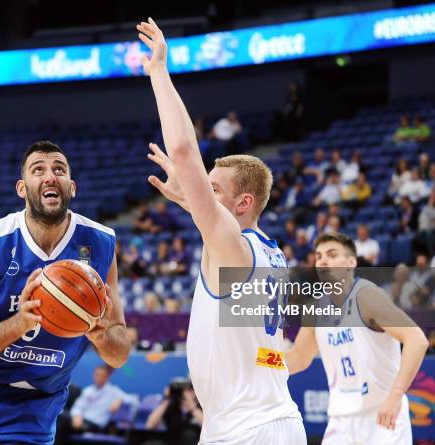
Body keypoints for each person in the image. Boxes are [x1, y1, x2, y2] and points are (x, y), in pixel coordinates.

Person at [137, 18, 304, 443]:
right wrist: (189, 197)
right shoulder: (269, 252)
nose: (204, 197)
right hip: (266, 419)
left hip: (248, 430)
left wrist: (158, 72)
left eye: (213, 190)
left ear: (243, 203)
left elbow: (182, 149)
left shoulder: (233, 247)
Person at [0, 141, 130, 444]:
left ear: (72, 187)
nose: (50, 176)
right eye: (39, 170)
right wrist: (20, 323)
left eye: (59, 169)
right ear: (22, 188)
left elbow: (119, 354)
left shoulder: (100, 244)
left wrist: (100, 336)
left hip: (34, 405)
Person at [285, 233, 428, 445]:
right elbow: (297, 359)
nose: (323, 260)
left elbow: (417, 339)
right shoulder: (314, 308)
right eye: (319, 256)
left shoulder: (367, 296)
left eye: (332, 255)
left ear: (351, 262)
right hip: (340, 422)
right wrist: (256, 358)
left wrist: (396, 395)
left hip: (382, 416)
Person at [68, 365, 127, 433]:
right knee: (61, 419)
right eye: (97, 375)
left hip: (96, 425)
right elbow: (78, 407)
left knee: (63, 422)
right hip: (81, 420)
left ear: (107, 377)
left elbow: (133, 399)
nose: (99, 378)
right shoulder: (88, 390)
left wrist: (120, 400)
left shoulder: (114, 391)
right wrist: (77, 416)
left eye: (102, 376)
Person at [145, 379, 203, 445]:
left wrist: (192, 407)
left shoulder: (201, 405)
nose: (184, 392)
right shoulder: (170, 406)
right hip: (172, 441)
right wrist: (167, 398)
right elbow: (149, 425)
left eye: (190, 389)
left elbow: (206, 425)